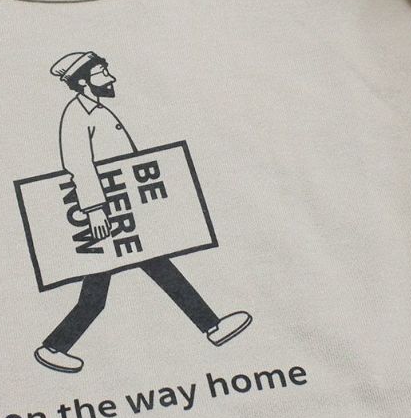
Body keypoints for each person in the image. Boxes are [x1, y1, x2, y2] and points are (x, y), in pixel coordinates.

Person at [33, 51, 252, 374]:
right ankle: (54, 346)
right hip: (107, 215)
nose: (110, 77)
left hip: (125, 212)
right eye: (102, 72)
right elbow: (78, 165)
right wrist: (94, 210)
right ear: (83, 81)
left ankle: (211, 326)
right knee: (98, 294)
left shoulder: (98, 111)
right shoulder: (77, 115)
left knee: (157, 272)